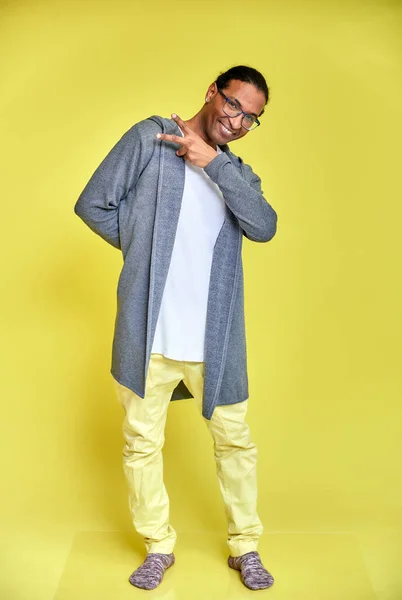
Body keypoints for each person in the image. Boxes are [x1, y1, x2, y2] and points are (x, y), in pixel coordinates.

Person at [74, 65, 278, 591]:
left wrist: (214, 165)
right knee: (141, 444)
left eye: (252, 118)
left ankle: (245, 547)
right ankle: (158, 545)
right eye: (234, 105)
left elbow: (264, 226)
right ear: (212, 92)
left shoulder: (238, 172)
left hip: (215, 339)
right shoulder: (150, 139)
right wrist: (146, 252)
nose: (238, 122)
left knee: (235, 443)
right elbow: (92, 202)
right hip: (149, 336)